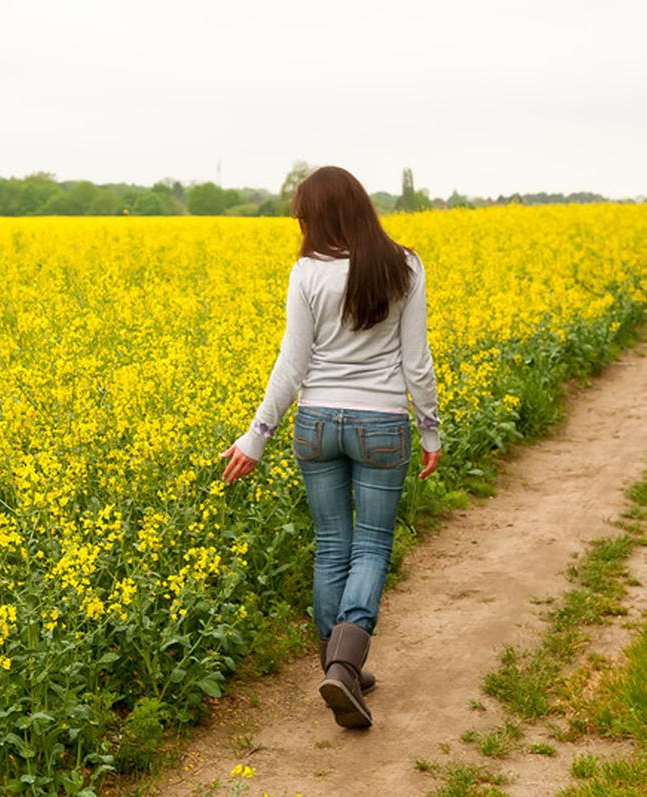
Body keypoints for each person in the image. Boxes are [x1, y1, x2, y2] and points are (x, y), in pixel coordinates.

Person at [218, 165, 441, 730]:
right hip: (380, 424)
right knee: (370, 547)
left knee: (330, 546)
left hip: (316, 421)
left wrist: (257, 435)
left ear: (321, 217)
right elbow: (416, 362)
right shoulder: (404, 265)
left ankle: (337, 665)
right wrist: (431, 429)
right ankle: (345, 664)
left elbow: (291, 364)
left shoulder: (306, 273)